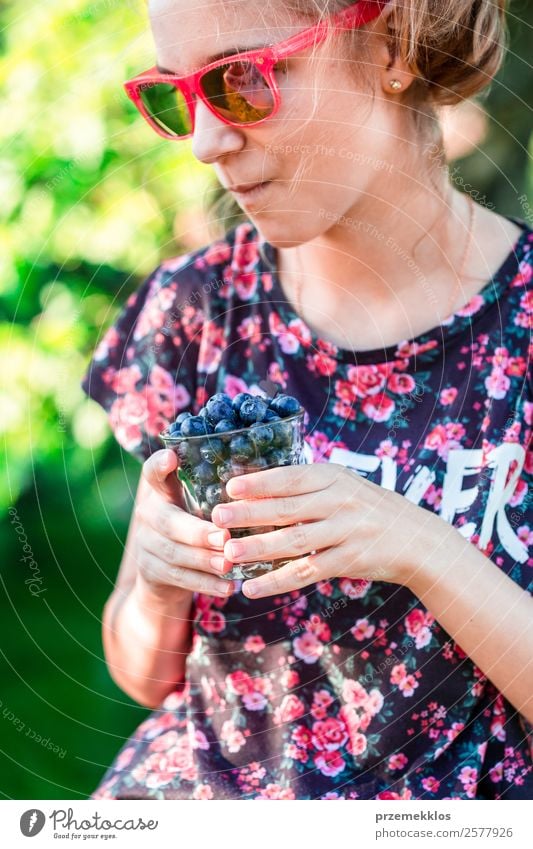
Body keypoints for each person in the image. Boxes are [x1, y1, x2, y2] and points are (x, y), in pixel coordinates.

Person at [80, 0, 532, 800]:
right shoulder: (194, 312)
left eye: (241, 81)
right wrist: (153, 578)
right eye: (176, 96)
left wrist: (422, 550)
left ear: (391, 43)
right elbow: (145, 676)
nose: (206, 142)